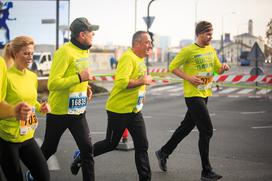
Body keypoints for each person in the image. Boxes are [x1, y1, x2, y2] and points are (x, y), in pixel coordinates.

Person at [71, 31, 153, 181]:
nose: (150, 45)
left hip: (134, 111)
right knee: (110, 144)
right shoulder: (128, 58)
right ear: (137, 44)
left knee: (142, 145)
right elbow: (122, 82)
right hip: (119, 111)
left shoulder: (141, 60)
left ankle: (145, 178)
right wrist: (142, 81)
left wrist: (142, 95)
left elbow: (140, 83)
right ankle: (81, 158)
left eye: (150, 42)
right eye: (147, 42)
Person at [155, 21, 230, 181]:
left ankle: (163, 152)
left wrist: (223, 67)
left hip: (205, 93)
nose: (211, 37)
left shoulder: (211, 50)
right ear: (200, 33)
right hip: (193, 95)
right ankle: (206, 171)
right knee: (207, 130)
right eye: (208, 34)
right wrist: (189, 77)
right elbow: (173, 67)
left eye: (212, 33)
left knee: (186, 127)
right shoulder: (188, 50)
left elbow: (216, 68)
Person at [40, 17, 98, 181]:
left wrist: (85, 87)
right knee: (49, 149)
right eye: (90, 31)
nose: (93, 34)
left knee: (87, 151)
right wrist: (79, 78)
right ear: (82, 35)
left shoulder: (85, 50)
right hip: (59, 112)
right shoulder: (64, 52)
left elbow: (79, 76)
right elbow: (53, 83)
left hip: (78, 111)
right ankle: (32, 172)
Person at [0, 36, 50, 181]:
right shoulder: (6, 76)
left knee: (44, 177)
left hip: (28, 136)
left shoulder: (32, 77)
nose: (30, 57)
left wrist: (41, 107)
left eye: (32, 54)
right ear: (15, 54)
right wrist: (14, 111)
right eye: (26, 53)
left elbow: (31, 100)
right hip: (8, 139)